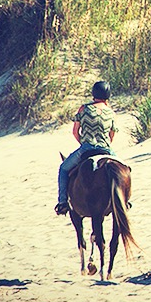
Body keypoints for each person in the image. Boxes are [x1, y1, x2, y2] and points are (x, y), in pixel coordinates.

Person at [54, 80, 117, 216]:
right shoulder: (110, 112)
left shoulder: (84, 109)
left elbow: (75, 131)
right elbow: (112, 135)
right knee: (122, 169)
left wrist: (83, 143)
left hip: (87, 148)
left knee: (64, 169)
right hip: (106, 149)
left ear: (94, 94)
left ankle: (63, 202)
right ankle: (125, 199)